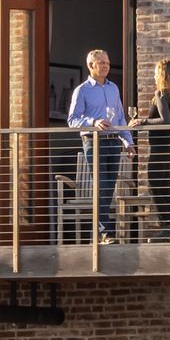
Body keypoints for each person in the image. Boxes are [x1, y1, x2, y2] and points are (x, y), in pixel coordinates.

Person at [66, 47, 132, 237]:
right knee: (102, 185)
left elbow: (120, 118)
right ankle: (106, 232)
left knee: (108, 188)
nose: (105, 66)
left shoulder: (113, 88)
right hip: (94, 142)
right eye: (101, 62)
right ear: (91, 65)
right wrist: (93, 122)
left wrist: (128, 142)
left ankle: (98, 230)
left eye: (107, 63)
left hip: (113, 143)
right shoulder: (82, 91)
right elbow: (72, 120)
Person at [135, 57, 170, 237]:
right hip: (167, 146)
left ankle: (166, 226)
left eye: (155, 72)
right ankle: (169, 226)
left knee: (155, 182)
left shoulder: (160, 94)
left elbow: (165, 120)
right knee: (164, 185)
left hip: (160, 147)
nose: (153, 76)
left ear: (161, 75)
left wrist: (142, 121)